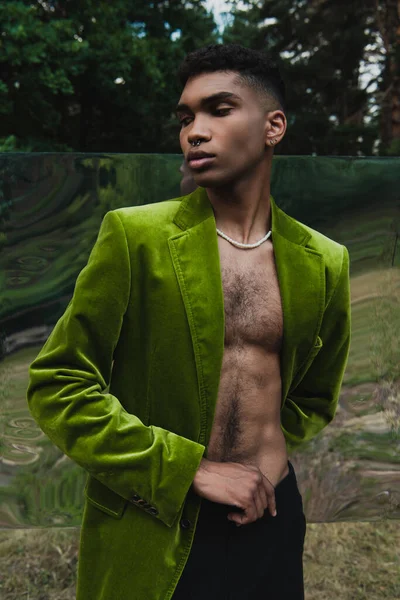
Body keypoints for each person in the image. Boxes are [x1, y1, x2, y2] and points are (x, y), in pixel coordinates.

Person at [26, 43, 351, 600]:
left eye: (218, 110)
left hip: (272, 516)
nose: (194, 131)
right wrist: (190, 471)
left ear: (274, 126)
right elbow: (59, 384)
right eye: (185, 118)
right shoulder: (135, 237)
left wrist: (261, 458)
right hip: (158, 521)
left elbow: (314, 395)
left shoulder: (324, 260)